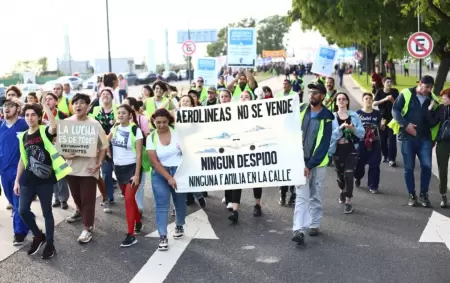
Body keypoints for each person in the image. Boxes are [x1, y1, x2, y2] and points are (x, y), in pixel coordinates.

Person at [15, 103, 71, 259]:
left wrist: (45, 105)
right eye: (27, 115)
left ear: (39, 117)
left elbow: (54, 126)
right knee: (23, 210)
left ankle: (50, 244)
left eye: (33, 114)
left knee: (47, 212)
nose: (29, 118)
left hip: (45, 179)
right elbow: (22, 159)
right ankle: (38, 235)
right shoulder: (23, 136)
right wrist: (17, 181)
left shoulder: (44, 130)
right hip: (28, 178)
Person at [64, 93, 109, 243]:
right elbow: (61, 147)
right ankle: (85, 218)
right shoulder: (66, 123)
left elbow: (103, 146)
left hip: (89, 169)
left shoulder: (94, 124)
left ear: (88, 106)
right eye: (75, 103)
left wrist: (99, 162)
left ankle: (87, 228)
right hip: (71, 169)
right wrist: (65, 155)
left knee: (88, 199)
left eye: (82, 103)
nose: (78, 105)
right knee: (77, 198)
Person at [292, 82, 334, 245]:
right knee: (302, 196)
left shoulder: (328, 117)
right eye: (310, 92)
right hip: (299, 160)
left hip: (318, 162)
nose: (311, 95)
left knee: (315, 193)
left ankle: (314, 223)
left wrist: (309, 165)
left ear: (322, 96)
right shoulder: (301, 110)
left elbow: (323, 145)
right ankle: (299, 229)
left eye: (315, 93)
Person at [391, 75, 439, 207]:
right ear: (420, 83)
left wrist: (434, 137)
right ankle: (412, 195)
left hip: (425, 138)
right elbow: (395, 110)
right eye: (426, 87)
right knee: (409, 168)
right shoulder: (406, 94)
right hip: (407, 138)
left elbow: (434, 120)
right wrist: (406, 125)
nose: (428, 90)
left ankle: (424, 194)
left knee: (427, 166)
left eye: (430, 88)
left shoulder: (433, 99)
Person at [147, 108, 186, 251]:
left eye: (164, 122)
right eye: (158, 123)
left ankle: (179, 224)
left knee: (180, 201)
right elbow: (154, 162)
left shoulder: (178, 132)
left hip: (179, 171)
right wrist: (169, 177)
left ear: (169, 120)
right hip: (160, 173)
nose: (161, 125)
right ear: (153, 122)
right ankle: (162, 235)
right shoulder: (151, 137)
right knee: (161, 204)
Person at [110, 104, 143, 247]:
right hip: (118, 169)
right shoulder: (115, 129)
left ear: (130, 115)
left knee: (128, 199)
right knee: (129, 198)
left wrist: (136, 175)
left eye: (124, 113)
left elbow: (139, 154)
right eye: (119, 113)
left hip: (132, 168)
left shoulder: (135, 130)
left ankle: (131, 234)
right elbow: (105, 142)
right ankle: (138, 220)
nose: (121, 115)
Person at [0, 98, 30, 245]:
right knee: (12, 200)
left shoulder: (24, 123)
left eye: (11, 106)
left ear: (18, 109)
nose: (7, 108)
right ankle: (27, 219)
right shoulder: (1, 127)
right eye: (5, 105)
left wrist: (23, 104)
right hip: (4, 171)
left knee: (18, 203)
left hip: (21, 170)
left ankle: (19, 233)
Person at [329, 92, 365, 214]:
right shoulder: (332, 117)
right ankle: (342, 190)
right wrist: (340, 128)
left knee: (349, 174)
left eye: (344, 99)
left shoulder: (354, 116)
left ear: (347, 101)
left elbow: (362, 133)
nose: (341, 101)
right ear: (336, 102)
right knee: (340, 177)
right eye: (339, 99)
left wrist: (353, 129)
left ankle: (348, 200)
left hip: (351, 149)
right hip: (338, 150)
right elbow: (331, 136)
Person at [89, 88, 118, 213]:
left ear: (112, 97)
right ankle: (109, 197)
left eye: (108, 94)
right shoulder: (95, 110)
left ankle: (125, 191)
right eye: (103, 94)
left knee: (119, 170)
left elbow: (120, 125)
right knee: (106, 172)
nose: (105, 96)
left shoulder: (118, 109)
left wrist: (109, 139)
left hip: (117, 144)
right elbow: (90, 125)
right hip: (101, 144)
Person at [42, 92, 70, 209]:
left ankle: (64, 199)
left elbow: (69, 131)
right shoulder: (40, 116)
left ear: (56, 102)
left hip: (60, 149)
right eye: (46, 99)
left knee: (61, 175)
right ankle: (56, 197)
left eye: (50, 99)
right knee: (51, 175)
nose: (48, 101)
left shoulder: (62, 115)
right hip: (46, 150)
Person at [427, 87, 450, 208]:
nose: (442, 100)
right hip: (443, 142)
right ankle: (443, 196)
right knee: (443, 170)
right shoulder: (441, 108)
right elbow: (431, 122)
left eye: (445, 98)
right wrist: (430, 108)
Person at [355, 93, 382, 194]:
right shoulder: (358, 113)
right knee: (359, 164)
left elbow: (380, 127)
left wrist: (382, 126)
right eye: (366, 99)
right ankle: (357, 177)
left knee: (375, 164)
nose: (368, 100)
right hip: (362, 142)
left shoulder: (377, 114)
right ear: (363, 100)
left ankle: (373, 185)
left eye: (370, 99)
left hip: (374, 141)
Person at [374, 77, 399, 166]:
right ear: (383, 83)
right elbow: (374, 103)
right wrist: (384, 99)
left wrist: (392, 100)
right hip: (382, 119)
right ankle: (385, 155)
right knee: (382, 139)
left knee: (392, 140)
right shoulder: (380, 91)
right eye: (387, 82)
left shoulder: (395, 91)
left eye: (390, 82)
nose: (389, 83)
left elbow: (398, 104)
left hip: (393, 119)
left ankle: (392, 159)